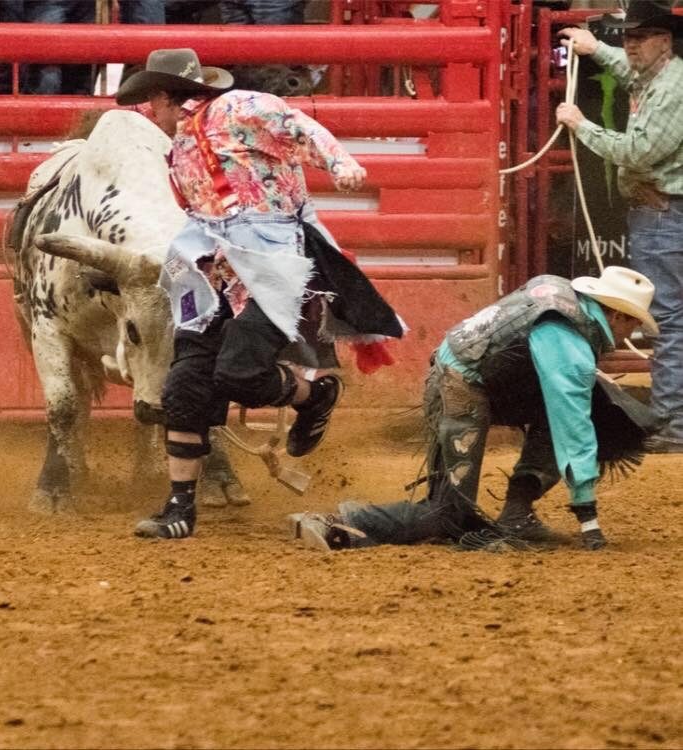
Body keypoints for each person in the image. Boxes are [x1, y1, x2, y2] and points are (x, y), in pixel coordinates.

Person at [114, 49, 405, 540]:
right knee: (184, 383)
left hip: (277, 267)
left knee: (238, 371)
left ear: (165, 96)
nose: (144, 112)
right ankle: (179, 508)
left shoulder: (239, 108)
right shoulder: (178, 145)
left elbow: (297, 126)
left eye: (147, 101)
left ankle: (315, 395)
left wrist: (341, 163)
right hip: (215, 272)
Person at [289, 267, 659, 553]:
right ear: (617, 316)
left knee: (583, 399)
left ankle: (517, 515)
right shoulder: (569, 342)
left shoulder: (558, 296)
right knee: (446, 514)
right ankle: (340, 522)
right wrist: (587, 515)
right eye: (630, 321)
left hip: (473, 374)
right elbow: (572, 424)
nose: (628, 330)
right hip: (462, 384)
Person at [555, 1, 683, 453]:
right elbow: (634, 77)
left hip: (666, 213)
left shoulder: (672, 88)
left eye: (638, 37)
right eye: (625, 38)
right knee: (672, 317)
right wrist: (596, 49)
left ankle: (673, 426)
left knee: (668, 319)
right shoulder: (661, 78)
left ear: (663, 42)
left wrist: (581, 124)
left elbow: (640, 151)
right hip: (662, 211)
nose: (629, 45)